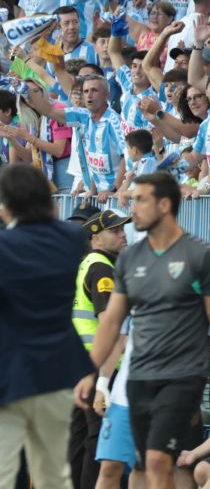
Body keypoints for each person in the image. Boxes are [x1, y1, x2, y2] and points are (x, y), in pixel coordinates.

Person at [76, 173, 210, 489]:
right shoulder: (128, 259)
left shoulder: (203, 257)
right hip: (131, 384)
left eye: (140, 201)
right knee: (114, 467)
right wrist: (98, 378)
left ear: (164, 205)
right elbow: (114, 326)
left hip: (176, 380)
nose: (132, 211)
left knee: (158, 464)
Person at [0, 164, 94, 489]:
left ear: (6, 205)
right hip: (58, 371)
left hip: (8, 373)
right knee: (53, 473)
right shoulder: (72, 238)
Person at [68, 205, 128, 489]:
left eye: (123, 229)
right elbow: (110, 324)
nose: (122, 234)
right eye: (114, 231)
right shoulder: (102, 267)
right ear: (95, 238)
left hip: (80, 366)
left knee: (79, 439)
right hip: (100, 367)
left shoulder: (86, 264)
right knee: (99, 441)